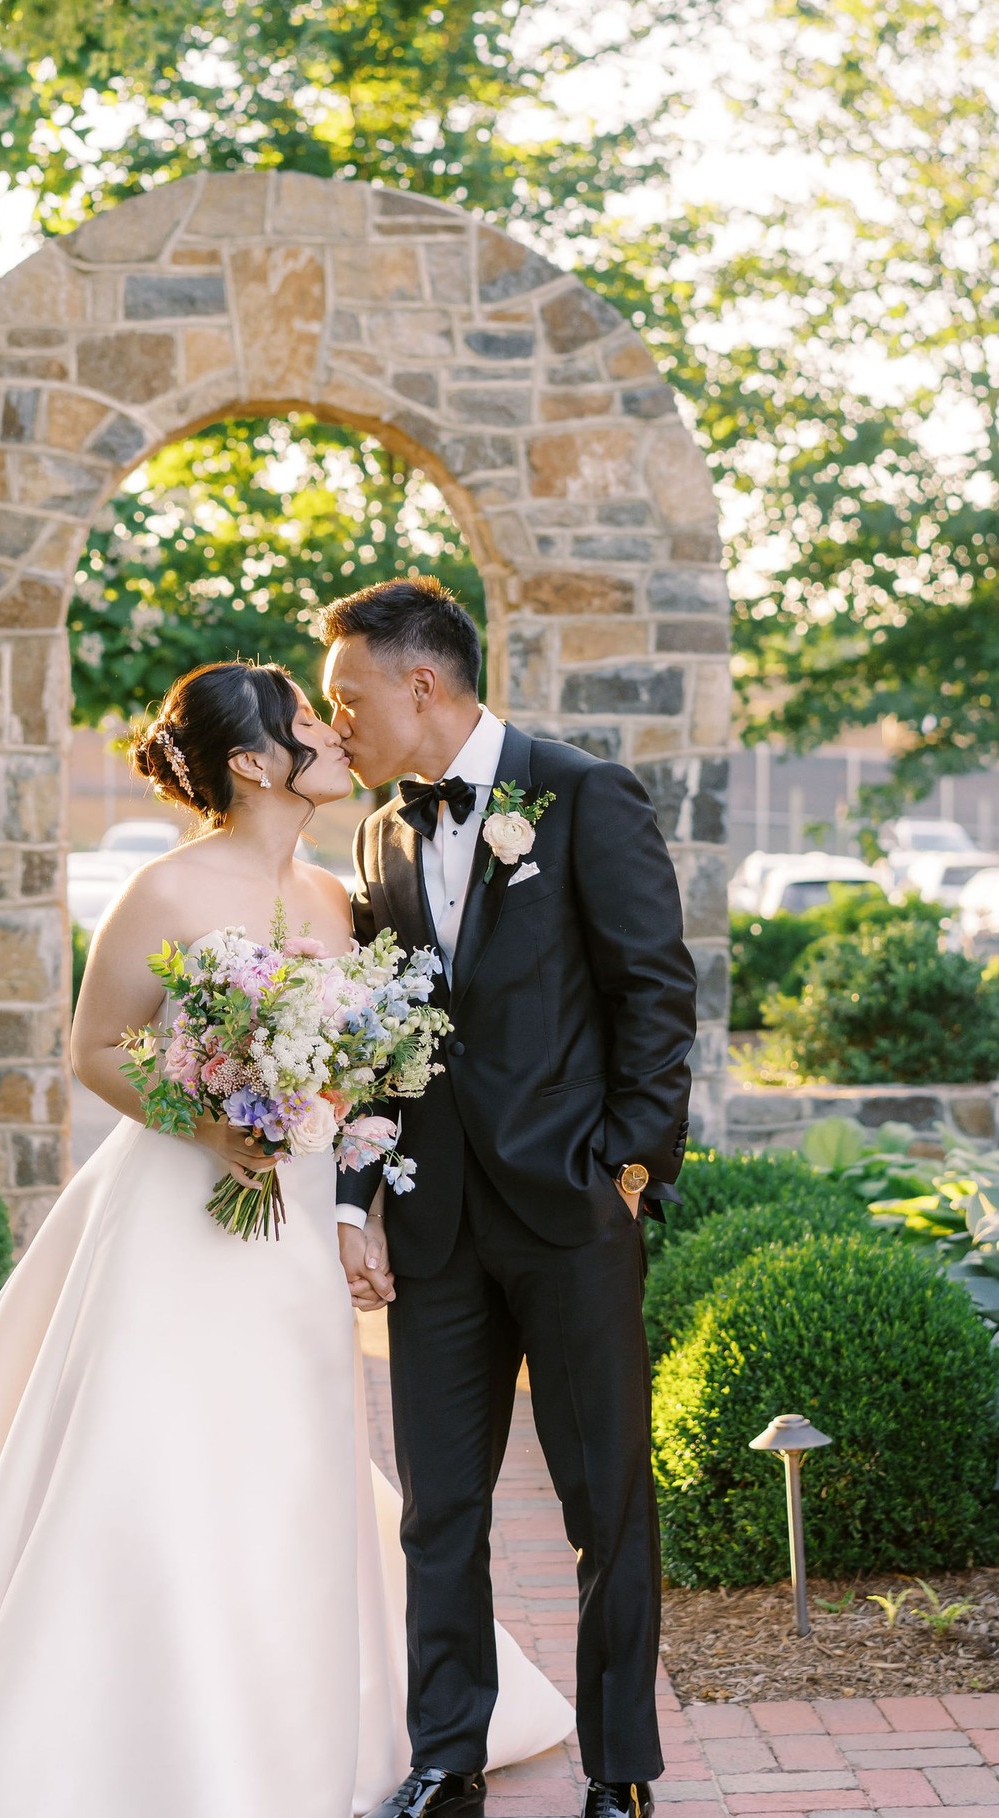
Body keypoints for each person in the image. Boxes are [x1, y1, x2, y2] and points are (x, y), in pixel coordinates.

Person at [0, 659, 573, 1818]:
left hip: (293, 1232)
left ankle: (289, 1725)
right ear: (249, 761)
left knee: (292, 1459)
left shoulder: (339, 899)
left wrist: (356, 1197)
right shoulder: (165, 893)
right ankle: (96, 1734)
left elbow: (377, 1077)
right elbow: (97, 1050)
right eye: (305, 722)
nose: (333, 731)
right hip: (176, 1216)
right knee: (146, 1454)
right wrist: (215, 1120)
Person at [320, 580, 697, 1818]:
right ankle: (447, 1762)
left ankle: (621, 1774)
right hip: (436, 1229)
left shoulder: (584, 794)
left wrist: (627, 1177)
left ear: (420, 682)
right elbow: (382, 1043)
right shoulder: (377, 834)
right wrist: (360, 1193)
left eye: (349, 696)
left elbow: (655, 992)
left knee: (606, 1506)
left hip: (573, 1219)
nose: (339, 724)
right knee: (439, 1512)